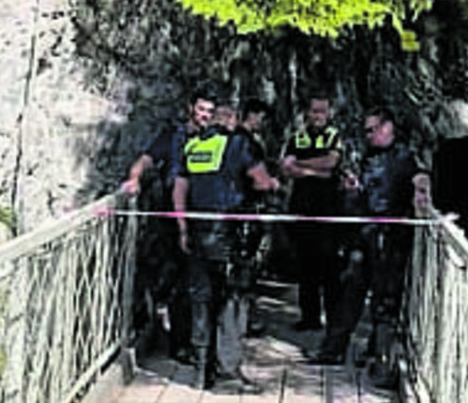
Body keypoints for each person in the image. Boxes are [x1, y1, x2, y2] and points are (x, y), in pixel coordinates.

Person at [309, 106, 431, 390]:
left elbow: (419, 176)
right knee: (349, 292)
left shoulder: (404, 156)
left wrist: (421, 190)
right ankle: (333, 349)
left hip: (390, 238)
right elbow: (361, 193)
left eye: (372, 129)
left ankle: (381, 361)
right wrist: (352, 190)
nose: (368, 135)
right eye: (366, 130)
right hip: (363, 234)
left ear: (387, 127)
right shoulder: (367, 156)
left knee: (385, 302)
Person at [172, 96, 280, 394]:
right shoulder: (237, 144)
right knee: (231, 302)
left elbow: (179, 190)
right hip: (229, 235)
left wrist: (182, 228)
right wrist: (272, 184)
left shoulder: (192, 145)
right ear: (231, 119)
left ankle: (201, 371)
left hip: (197, 231)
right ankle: (227, 372)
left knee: (201, 300)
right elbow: (260, 181)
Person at [119, 82, 218, 364]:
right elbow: (146, 159)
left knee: (200, 282)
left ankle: (197, 342)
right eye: (201, 109)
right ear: (191, 108)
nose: (204, 115)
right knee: (175, 280)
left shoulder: (217, 140)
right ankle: (178, 342)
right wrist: (134, 179)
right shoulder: (173, 137)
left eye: (209, 111)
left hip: (204, 217)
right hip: (170, 219)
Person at [280, 94, 344, 332]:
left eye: (322, 111)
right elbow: (286, 168)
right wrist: (314, 170)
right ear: (307, 112)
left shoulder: (333, 135)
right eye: (314, 111)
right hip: (301, 209)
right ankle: (310, 318)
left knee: (330, 267)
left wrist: (303, 166)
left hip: (327, 210)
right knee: (305, 267)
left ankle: (334, 319)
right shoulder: (297, 137)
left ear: (329, 113)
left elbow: (331, 163)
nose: (318, 116)